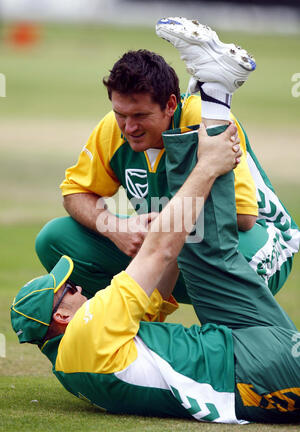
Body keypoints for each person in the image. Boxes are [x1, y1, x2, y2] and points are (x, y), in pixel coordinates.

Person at [11, 120, 300, 424]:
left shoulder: (70, 366)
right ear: (61, 316)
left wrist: (165, 229)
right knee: (207, 244)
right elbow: (160, 253)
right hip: (249, 363)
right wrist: (206, 169)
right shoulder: (87, 330)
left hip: (253, 370)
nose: (80, 288)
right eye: (68, 290)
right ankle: (216, 101)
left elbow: (158, 292)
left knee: (186, 237)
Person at [34, 18, 300, 316]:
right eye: (120, 113)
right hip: (176, 243)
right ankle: (121, 333)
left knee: (193, 236)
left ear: (171, 104)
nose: (128, 127)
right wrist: (116, 228)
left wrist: (162, 229)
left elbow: (242, 217)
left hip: (258, 246)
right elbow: (75, 193)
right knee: (55, 239)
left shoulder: (204, 118)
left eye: (140, 115)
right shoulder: (114, 128)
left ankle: (224, 344)